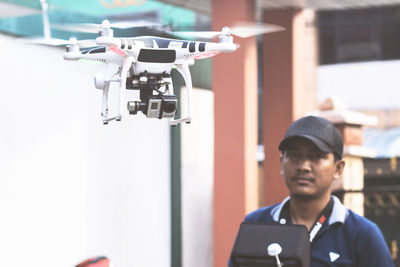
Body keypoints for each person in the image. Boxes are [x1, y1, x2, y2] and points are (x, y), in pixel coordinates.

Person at [229, 115, 394, 267]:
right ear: (281, 163)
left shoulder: (362, 234)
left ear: (338, 168)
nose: (303, 166)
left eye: (316, 156)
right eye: (294, 155)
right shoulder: (257, 224)